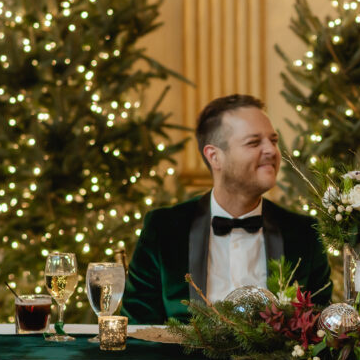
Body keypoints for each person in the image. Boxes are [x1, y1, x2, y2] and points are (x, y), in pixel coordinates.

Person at [123, 94, 331, 324]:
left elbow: (319, 329)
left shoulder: (304, 233)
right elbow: (137, 328)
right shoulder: (164, 229)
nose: (271, 150)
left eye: (273, 140)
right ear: (215, 157)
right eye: (254, 142)